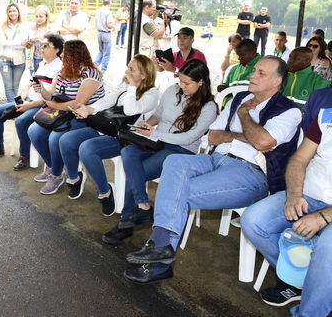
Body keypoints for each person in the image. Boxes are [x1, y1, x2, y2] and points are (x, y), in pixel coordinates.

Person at [123, 56, 301, 284]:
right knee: (174, 162)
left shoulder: (289, 111)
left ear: (277, 81)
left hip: (250, 171)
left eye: (260, 73)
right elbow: (214, 135)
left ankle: (159, 258)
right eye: (254, 70)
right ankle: (161, 245)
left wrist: (244, 115)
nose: (252, 75)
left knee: (179, 192)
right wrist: (244, 135)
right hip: (216, 159)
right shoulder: (239, 98)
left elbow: (263, 142)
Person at [100, 59, 218, 243]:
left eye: (187, 83)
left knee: (136, 172)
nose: (182, 86)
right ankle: (143, 206)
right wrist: (147, 125)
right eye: (180, 81)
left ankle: (125, 223)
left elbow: (189, 138)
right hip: (156, 141)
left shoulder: (209, 107)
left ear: (201, 82)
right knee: (128, 153)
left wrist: (157, 133)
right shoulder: (172, 91)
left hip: (180, 151)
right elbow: (159, 115)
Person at [241, 108, 332, 316]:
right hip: (307, 194)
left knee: (328, 248)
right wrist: (293, 194)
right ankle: (304, 282)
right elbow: (299, 159)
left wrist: (323, 217)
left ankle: (310, 310)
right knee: (253, 221)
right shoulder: (326, 116)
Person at [58, 54, 159, 204]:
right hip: (108, 127)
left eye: (132, 69)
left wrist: (131, 87)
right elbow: (109, 99)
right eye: (127, 67)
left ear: (143, 75)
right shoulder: (126, 85)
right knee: (66, 140)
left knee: (87, 149)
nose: (127, 72)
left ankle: (105, 192)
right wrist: (89, 109)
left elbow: (131, 110)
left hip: (125, 137)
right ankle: (74, 178)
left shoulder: (152, 94)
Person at [27, 40, 105, 194]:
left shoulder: (90, 74)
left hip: (84, 117)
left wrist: (52, 104)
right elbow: (50, 94)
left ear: (75, 55)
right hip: (62, 114)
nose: (62, 55)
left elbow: (77, 104)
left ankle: (56, 175)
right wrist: (42, 90)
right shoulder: (63, 71)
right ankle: (54, 166)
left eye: (66, 53)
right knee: (33, 131)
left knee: (55, 138)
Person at [0, 33, 64, 170]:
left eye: (45, 45)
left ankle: (25, 156)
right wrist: (22, 98)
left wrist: (28, 105)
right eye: (41, 45)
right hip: (28, 101)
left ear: (57, 50)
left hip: (40, 106)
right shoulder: (42, 64)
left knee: (21, 121)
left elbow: (50, 97)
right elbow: (28, 84)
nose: (41, 48)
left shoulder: (59, 68)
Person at [0, 3, 28, 102]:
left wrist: (11, 41)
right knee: (8, 88)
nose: (12, 13)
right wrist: (19, 42)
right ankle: (13, 109)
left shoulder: (24, 26)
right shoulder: (3, 26)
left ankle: (14, 110)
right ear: (7, 13)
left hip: (19, 62)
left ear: (18, 12)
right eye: (10, 11)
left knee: (15, 88)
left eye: (14, 11)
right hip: (5, 61)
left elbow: (26, 42)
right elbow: (3, 42)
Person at [25, 5, 51, 74]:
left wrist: (42, 42)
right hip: (34, 60)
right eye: (36, 16)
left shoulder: (51, 30)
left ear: (46, 16)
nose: (38, 19)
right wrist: (29, 43)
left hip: (47, 60)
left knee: (45, 83)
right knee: (34, 82)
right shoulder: (31, 29)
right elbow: (27, 46)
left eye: (41, 16)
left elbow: (54, 47)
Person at [94, 0, 115, 72]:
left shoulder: (98, 11)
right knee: (106, 53)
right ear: (109, 3)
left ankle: (94, 65)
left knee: (101, 51)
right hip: (106, 33)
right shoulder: (108, 12)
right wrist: (114, 27)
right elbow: (109, 24)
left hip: (99, 33)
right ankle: (103, 70)